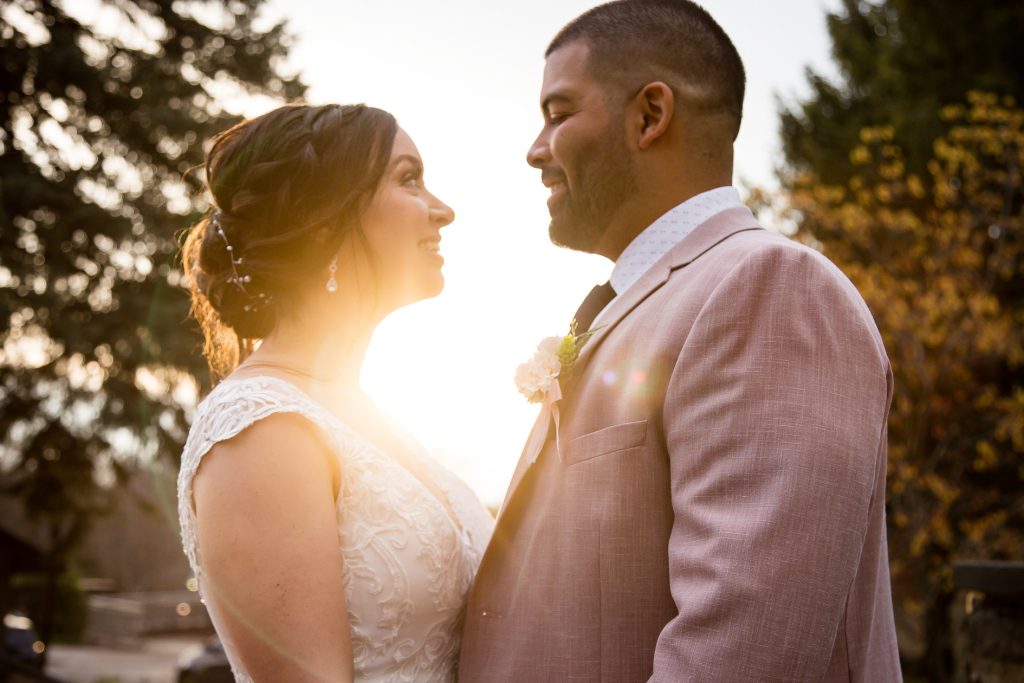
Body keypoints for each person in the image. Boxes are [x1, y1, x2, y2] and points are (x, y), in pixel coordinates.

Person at [459, 1, 902, 681]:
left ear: (649, 115)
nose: (535, 149)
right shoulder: (652, 302)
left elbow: (744, 652)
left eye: (558, 112)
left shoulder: (769, 288)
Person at [176, 103, 493, 682]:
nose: (443, 210)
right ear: (325, 221)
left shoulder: (364, 415)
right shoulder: (260, 430)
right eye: (409, 179)